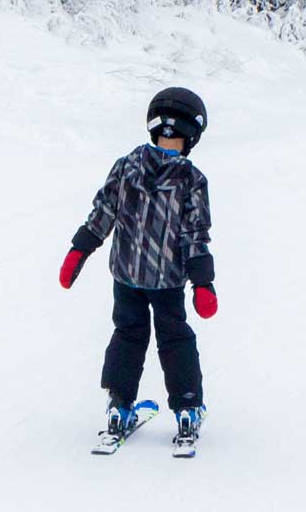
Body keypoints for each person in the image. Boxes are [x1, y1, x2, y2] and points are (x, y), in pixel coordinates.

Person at [58, 87, 216, 451]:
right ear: (193, 137)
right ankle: (187, 408)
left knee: (128, 336)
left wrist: (78, 251)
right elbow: (195, 236)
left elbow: (102, 215)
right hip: (166, 281)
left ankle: (119, 406)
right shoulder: (192, 180)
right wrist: (202, 284)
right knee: (174, 339)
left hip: (126, 275)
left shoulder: (127, 165)